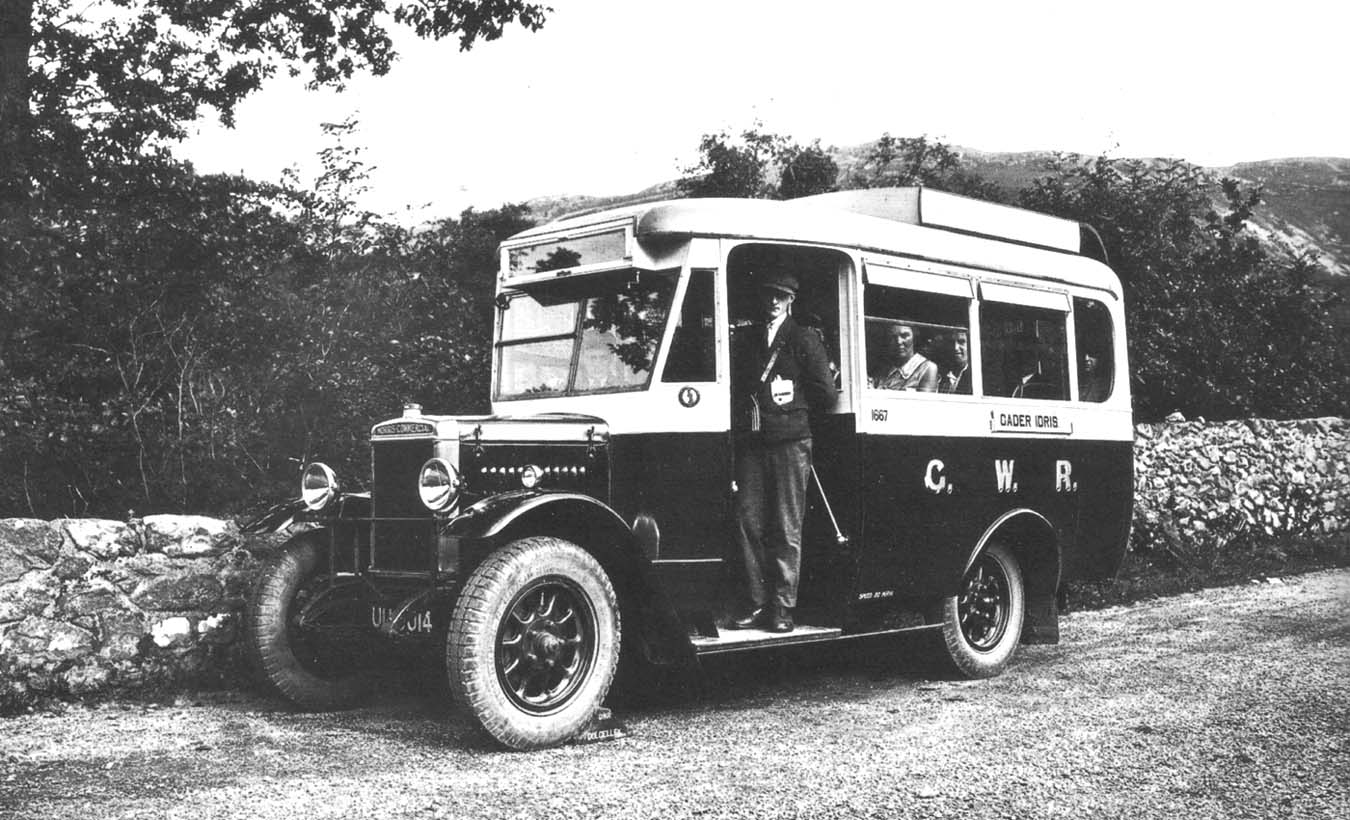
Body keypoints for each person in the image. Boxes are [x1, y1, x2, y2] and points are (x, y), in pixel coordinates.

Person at [726, 271, 836, 633]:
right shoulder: (748, 339)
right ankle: (757, 602)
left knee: (787, 527)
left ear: (791, 300)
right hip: (755, 443)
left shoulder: (803, 338)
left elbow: (825, 394)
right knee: (748, 522)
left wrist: (791, 417)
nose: (773, 301)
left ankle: (783, 609)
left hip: (790, 443)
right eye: (769, 295)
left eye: (781, 296)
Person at [874, 324, 939, 391]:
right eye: (893, 337)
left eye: (904, 336)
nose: (899, 341)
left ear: (914, 338)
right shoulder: (885, 370)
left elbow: (925, 400)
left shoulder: (927, 368)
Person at [939, 329, 972, 395]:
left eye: (961, 342)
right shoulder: (942, 375)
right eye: (951, 342)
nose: (955, 347)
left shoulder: (975, 377)